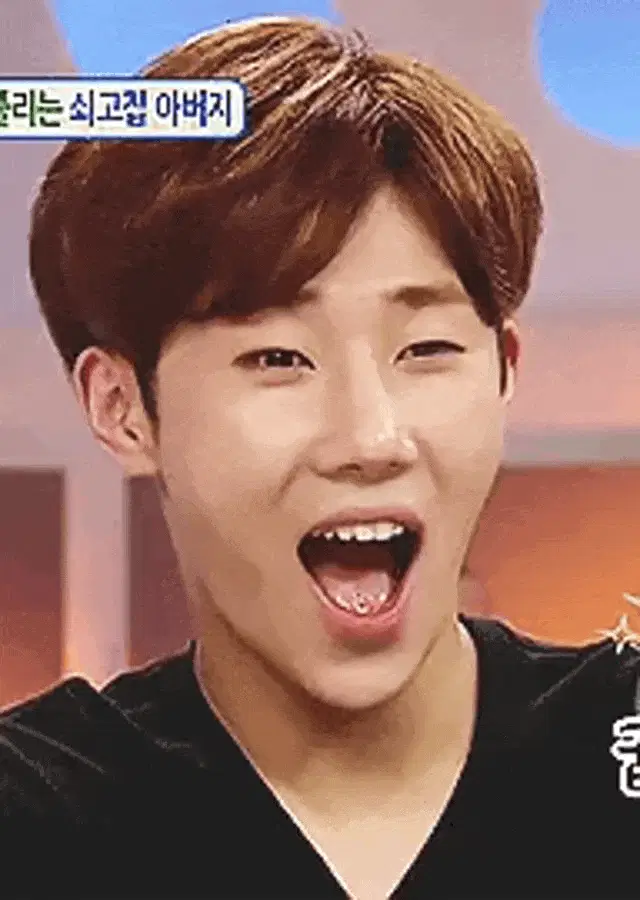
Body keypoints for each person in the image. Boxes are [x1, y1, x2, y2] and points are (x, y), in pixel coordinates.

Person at [2, 15, 638, 900]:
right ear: (123, 407)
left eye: (426, 349)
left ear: (504, 371)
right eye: (278, 358)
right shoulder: (34, 818)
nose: (373, 439)